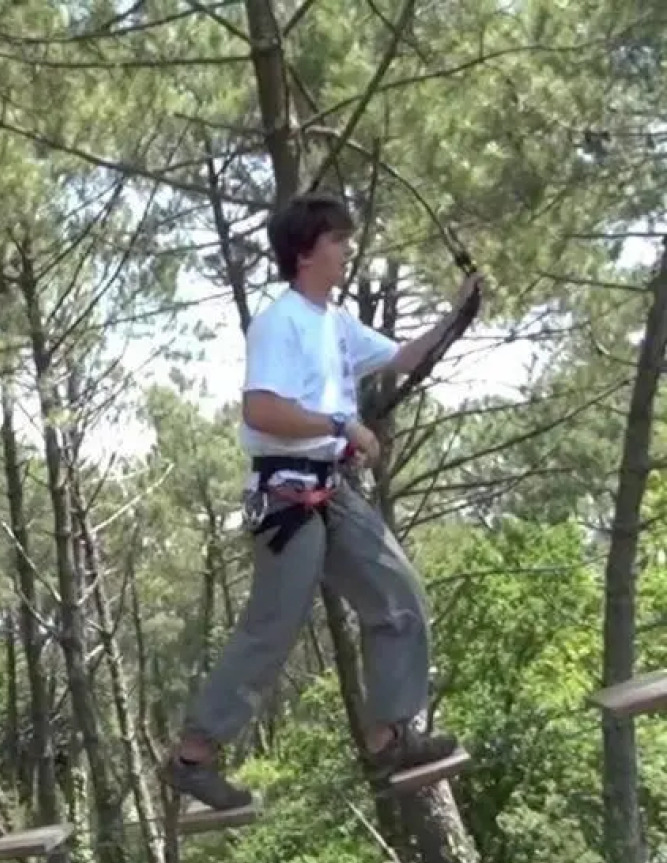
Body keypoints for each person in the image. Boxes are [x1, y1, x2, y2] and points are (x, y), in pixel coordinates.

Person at [161, 190, 481, 813]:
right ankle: (192, 757)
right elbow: (261, 410)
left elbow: (403, 356)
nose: (347, 249)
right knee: (272, 627)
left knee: (398, 597)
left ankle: (388, 737)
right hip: (286, 494)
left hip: (330, 490)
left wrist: (456, 312)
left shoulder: (334, 324)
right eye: (338, 239)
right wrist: (342, 428)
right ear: (307, 252)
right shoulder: (279, 323)